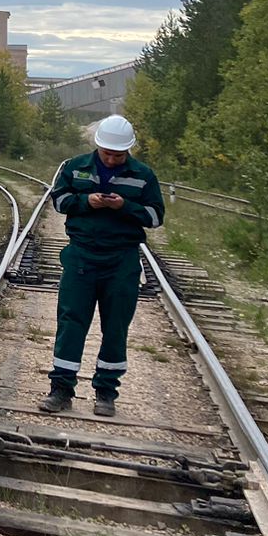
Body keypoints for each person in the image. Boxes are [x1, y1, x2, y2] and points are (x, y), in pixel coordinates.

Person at [38, 114, 165, 418]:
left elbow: (156, 217)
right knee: (71, 322)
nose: (111, 159)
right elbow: (58, 201)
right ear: (97, 147)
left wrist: (125, 207)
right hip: (81, 255)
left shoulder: (144, 176)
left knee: (116, 326)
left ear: (127, 152)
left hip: (122, 260)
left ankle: (106, 393)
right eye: (107, 153)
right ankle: (61, 390)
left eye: (118, 155)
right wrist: (86, 202)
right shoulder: (75, 167)